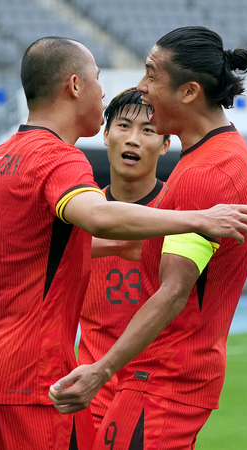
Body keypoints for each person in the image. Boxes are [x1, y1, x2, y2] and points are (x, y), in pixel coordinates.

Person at [0, 36, 247, 450]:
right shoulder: (60, 159)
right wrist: (200, 219)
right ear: (75, 87)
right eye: (97, 78)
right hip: (34, 378)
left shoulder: (3, 155)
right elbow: (98, 218)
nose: (115, 89)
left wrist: (2, 260)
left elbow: (48, 246)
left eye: (150, 74)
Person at [49, 27, 247, 450]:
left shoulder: (205, 175)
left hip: (160, 379)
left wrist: (102, 369)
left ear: (188, 92)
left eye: (150, 74)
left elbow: (173, 292)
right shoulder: (229, 157)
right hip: (166, 378)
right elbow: (135, 248)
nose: (141, 87)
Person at [77, 87, 170, 430]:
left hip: (153, 396)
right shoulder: (80, 211)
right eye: (123, 126)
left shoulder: (180, 212)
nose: (133, 139)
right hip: (86, 391)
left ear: (165, 145)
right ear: (104, 135)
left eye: (148, 130)